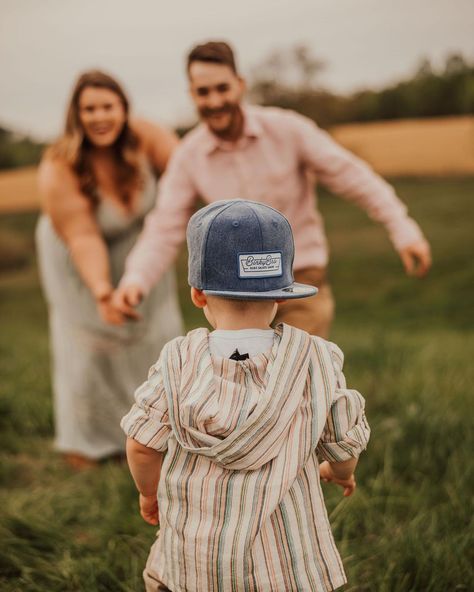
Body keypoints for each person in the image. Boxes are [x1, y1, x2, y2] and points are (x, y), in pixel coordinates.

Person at [121, 200, 370, 591]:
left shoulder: (177, 362)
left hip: (199, 554)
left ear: (198, 295)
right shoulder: (316, 359)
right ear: (283, 295)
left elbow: (141, 445)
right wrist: (341, 473)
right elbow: (342, 440)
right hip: (284, 559)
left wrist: (149, 494)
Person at [113, 40, 431, 338]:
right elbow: (164, 227)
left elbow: (354, 178)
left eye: (222, 88)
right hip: (231, 293)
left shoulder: (288, 129)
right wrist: (136, 280)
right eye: (203, 92)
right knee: (243, 386)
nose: (214, 101)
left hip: (299, 281)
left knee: (296, 384)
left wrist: (403, 229)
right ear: (192, 94)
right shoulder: (189, 156)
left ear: (240, 84)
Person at [36, 70, 183, 468]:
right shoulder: (60, 165)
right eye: (89, 109)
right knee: (91, 346)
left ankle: (162, 432)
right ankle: (88, 445)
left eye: (107, 107)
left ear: (123, 108)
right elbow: (83, 236)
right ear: (76, 115)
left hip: (142, 251)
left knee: (159, 333)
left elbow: (189, 175)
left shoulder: (147, 137)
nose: (99, 117)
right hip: (77, 256)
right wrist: (102, 290)